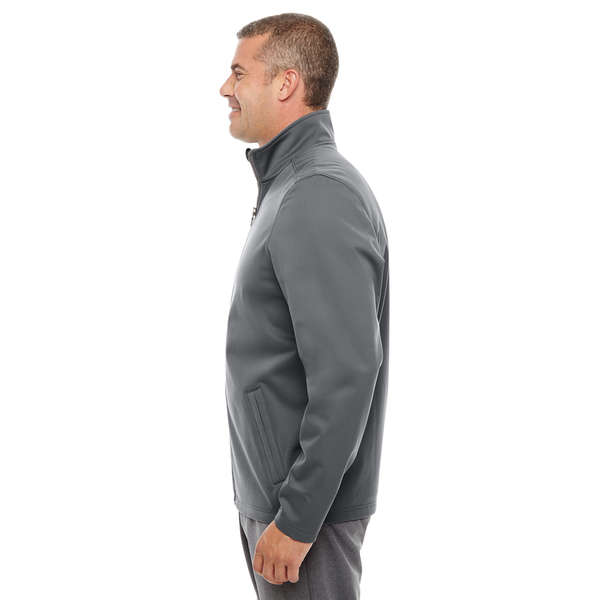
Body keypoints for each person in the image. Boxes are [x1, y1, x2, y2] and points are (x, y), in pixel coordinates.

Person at [219, 13, 390, 599]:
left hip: (301, 516)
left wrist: (296, 519)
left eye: (240, 73)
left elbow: (348, 372)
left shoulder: (316, 193)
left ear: (286, 83)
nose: (225, 88)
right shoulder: (291, 186)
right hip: (281, 502)